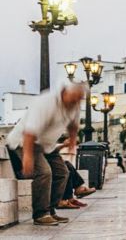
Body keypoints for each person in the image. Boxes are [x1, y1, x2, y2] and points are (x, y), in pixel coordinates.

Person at [7, 81, 84, 226]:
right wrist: (28, 157)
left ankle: (51, 210)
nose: (75, 103)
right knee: (44, 172)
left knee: (63, 172)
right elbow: (29, 133)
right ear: (64, 93)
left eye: (78, 100)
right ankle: (41, 214)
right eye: (74, 99)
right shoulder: (45, 103)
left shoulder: (74, 104)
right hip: (26, 142)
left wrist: (72, 142)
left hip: (47, 145)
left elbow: (73, 125)